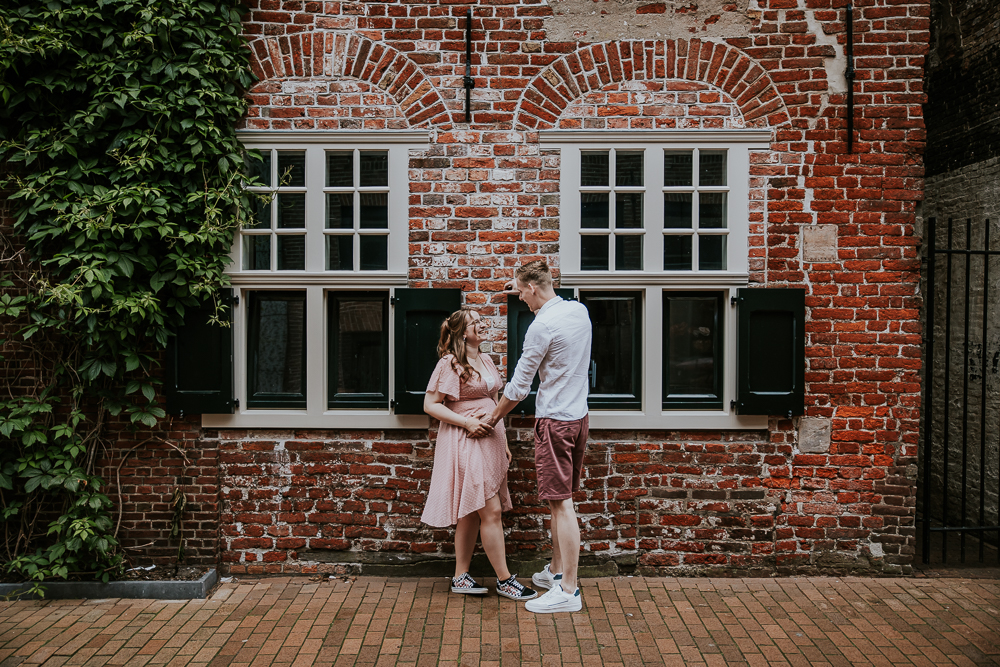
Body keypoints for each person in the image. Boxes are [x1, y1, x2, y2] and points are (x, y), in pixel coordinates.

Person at [484, 260, 592, 614]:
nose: (519, 298)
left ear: (531, 287)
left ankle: (569, 590)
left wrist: (494, 417)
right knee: (560, 499)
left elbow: (519, 386)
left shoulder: (541, 325)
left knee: (561, 504)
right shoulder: (578, 312)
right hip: (578, 418)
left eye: (519, 290)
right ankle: (556, 572)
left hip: (555, 422)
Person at [421, 307, 537, 601]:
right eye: (476, 323)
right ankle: (505, 580)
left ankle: (460, 577)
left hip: (490, 440)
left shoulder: (485, 359)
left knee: (472, 512)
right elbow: (431, 405)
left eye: (482, 321)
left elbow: (494, 398)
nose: (483, 325)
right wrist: (469, 422)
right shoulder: (450, 363)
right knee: (491, 510)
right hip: (466, 439)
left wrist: (506, 442)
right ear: (462, 332)